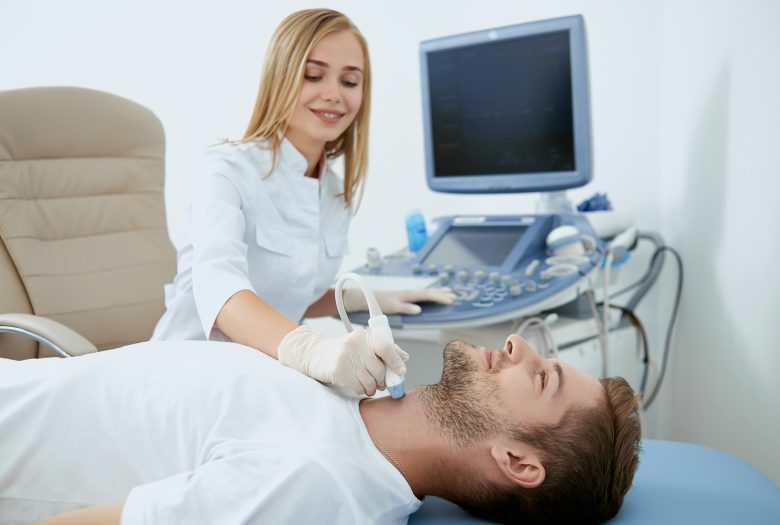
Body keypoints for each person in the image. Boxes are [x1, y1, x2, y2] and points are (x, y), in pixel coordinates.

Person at [0, 334, 641, 524]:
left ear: (517, 461)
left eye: (541, 378)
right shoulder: (351, 401)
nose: (517, 343)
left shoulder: (314, 484)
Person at [151, 8, 454, 395]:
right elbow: (221, 292)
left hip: (269, 378)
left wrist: (367, 299)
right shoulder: (225, 169)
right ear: (281, 76)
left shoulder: (333, 192)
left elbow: (289, 293)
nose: (334, 94)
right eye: (314, 75)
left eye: (350, 81)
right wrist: (313, 351)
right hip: (188, 376)